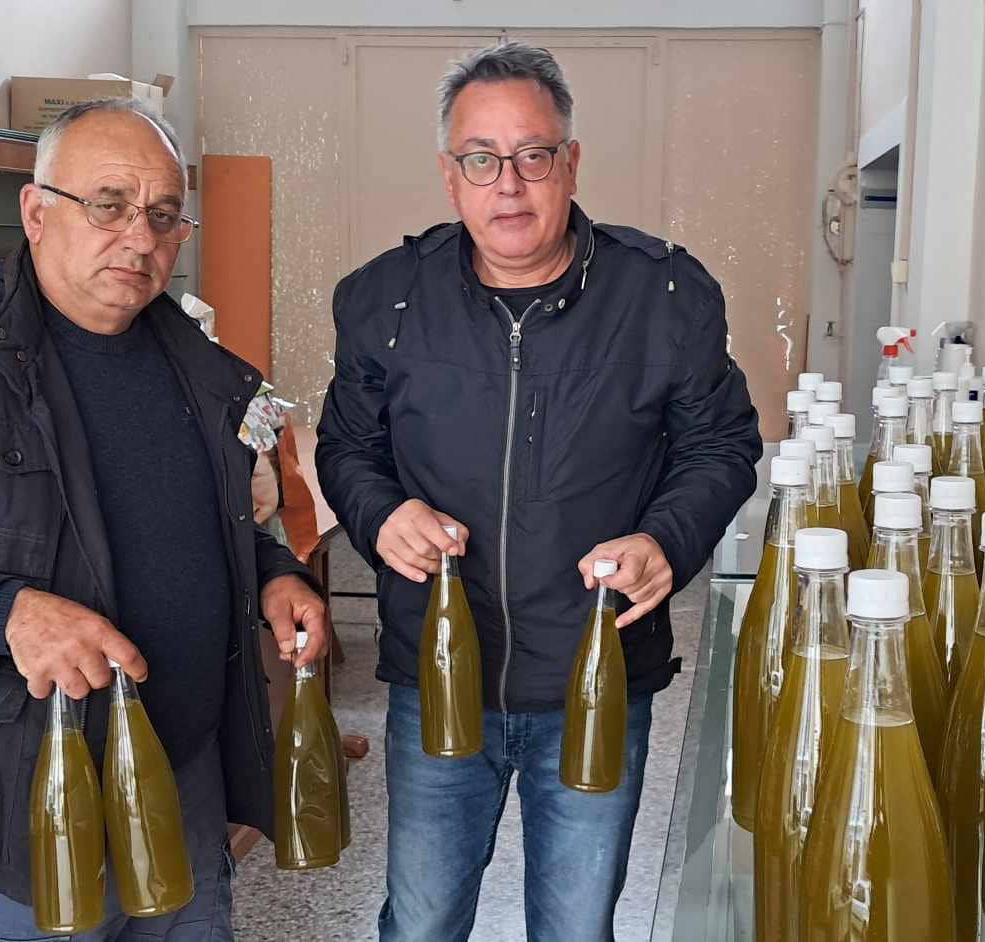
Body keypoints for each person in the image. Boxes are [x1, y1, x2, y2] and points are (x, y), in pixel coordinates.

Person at [0, 98, 331, 941]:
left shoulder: (203, 370)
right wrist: (6, 615)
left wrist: (273, 575)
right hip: (27, 787)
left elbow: (200, 525)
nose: (140, 238)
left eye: (163, 215)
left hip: (184, 767)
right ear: (36, 212)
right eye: (109, 205)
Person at [316, 40, 760, 941]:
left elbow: (720, 444)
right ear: (450, 176)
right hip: (439, 675)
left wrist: (666, 542)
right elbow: (348, 447)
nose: (508, 185)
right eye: (481, 159)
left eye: (533, 155)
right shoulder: (385, 299)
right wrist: (383, 513)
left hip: (597, 673)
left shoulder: (664, 295)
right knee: (422, 922)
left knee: (576, 927)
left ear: (571, 162)